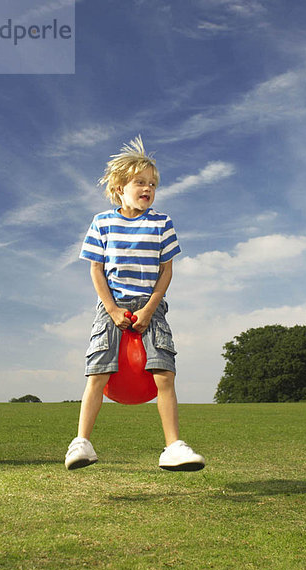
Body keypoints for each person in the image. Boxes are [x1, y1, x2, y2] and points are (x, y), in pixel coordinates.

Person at [65, 136, 205, 472]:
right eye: (140, 182)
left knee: (164, 374)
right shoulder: (102, 223)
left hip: (150, 307)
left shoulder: (162, 223)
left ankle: (173, 447)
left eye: (152, 184)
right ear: (119, 186)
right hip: (110, 305)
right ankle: (81, 443)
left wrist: (150, 308)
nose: (148, 188)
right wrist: (112, 310)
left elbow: (166, 271)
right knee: (97, 372)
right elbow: (96, 269)